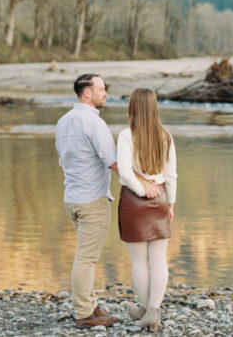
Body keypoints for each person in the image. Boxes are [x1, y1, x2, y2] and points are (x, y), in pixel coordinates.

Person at [54, 73, 160, 329]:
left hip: (72, 198)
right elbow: (114, 162)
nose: (106, 93)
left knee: (85, 255)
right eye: (101, 89)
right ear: (86, 92)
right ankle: (83, 314)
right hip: (92, 200)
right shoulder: (93, 123)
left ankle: (89, 304)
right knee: (86, 258)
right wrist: (143, 184)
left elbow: (63, 159)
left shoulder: (63, 121)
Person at [116, 88, 177, 333]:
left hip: (133, 201)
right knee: (159, 259)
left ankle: (148, 310)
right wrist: (170, 203)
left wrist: (142, 191)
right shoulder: (166, 136)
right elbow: (171, 174)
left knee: (139, 261)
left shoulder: (125, 135)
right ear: (154, 108)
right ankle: (150, 311)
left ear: (133, 108)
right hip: (161, 197)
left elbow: (124, 171)